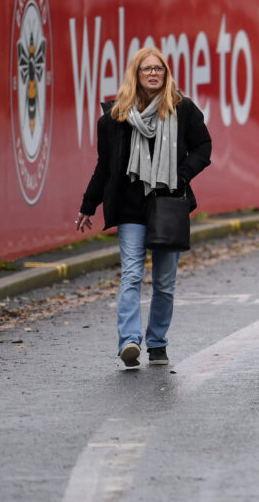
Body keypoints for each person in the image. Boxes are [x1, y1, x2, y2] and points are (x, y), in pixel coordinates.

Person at [76, 47, 212, 368]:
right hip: (130, 208)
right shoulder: (115, 118)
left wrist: (181, 175)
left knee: (164, 282)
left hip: (167, 205)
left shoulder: (183, 109)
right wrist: (88, 204)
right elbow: (105, 166)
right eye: (146, 69)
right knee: (132, 275)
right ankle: (129, 341)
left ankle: (157, 342)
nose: (153, 74)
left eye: (159, 69)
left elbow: (204, 147)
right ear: (135, 74)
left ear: (166, 74)